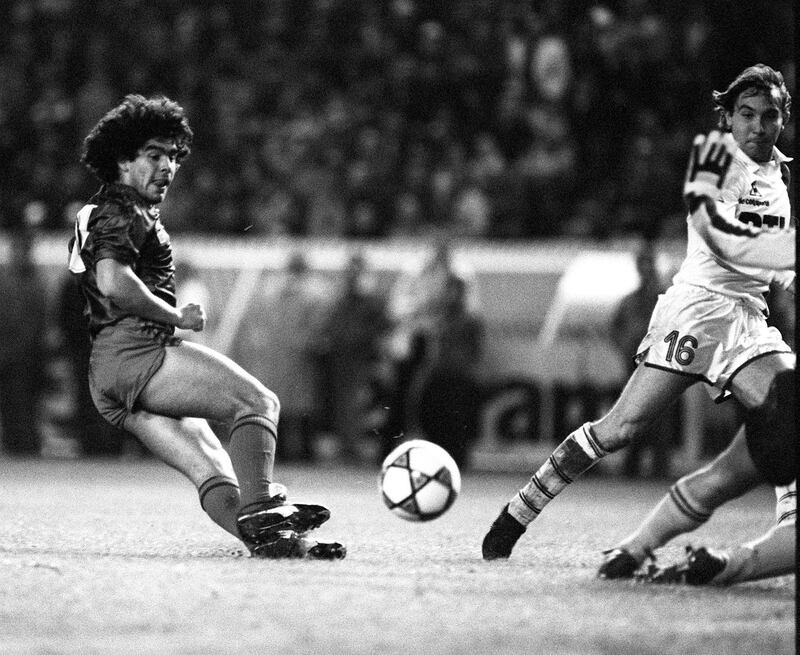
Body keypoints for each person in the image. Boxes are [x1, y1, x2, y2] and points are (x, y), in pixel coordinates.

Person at [482, 64, 794, 563]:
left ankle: (786, 539)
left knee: (789, 413)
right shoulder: (712, 158)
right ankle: (520, 509)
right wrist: (787, 253)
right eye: (747, 114)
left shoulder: (782, 172)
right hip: (696, 311)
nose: (758, 126)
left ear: (783, 119)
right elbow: (716, 235)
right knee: (621, 429)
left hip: (748, 320)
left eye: (770, 115)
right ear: (729, 119)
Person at [67, 94, 344, 559]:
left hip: (109, 375)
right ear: (121, 160)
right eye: (154, 155)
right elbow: (114, 281)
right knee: (257, 402)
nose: (167, 167)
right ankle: (262, 509)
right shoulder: (124, 211)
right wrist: (175, 316)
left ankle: (284, 543)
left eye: (173, 156)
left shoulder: (99, 211)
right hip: (136, 353)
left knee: (214, 471)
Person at [609, 241, 675, 478]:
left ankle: (658, 468)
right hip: (635, 364)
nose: (645, 269)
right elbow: (614, 328)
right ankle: (632, 467)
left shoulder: (665, 297)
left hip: (660, 366)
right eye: (642, 264)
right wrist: (624, 347)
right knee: (632, 416)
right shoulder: (630, 301)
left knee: (658, 417)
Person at [0, 227, 47, 455]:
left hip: (25, 356)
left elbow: (37, 322)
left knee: (25, 405)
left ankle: (25, 445)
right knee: (10, 404)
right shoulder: (6, 280)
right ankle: (13, 443)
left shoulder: (35, 282)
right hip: (7, 354)